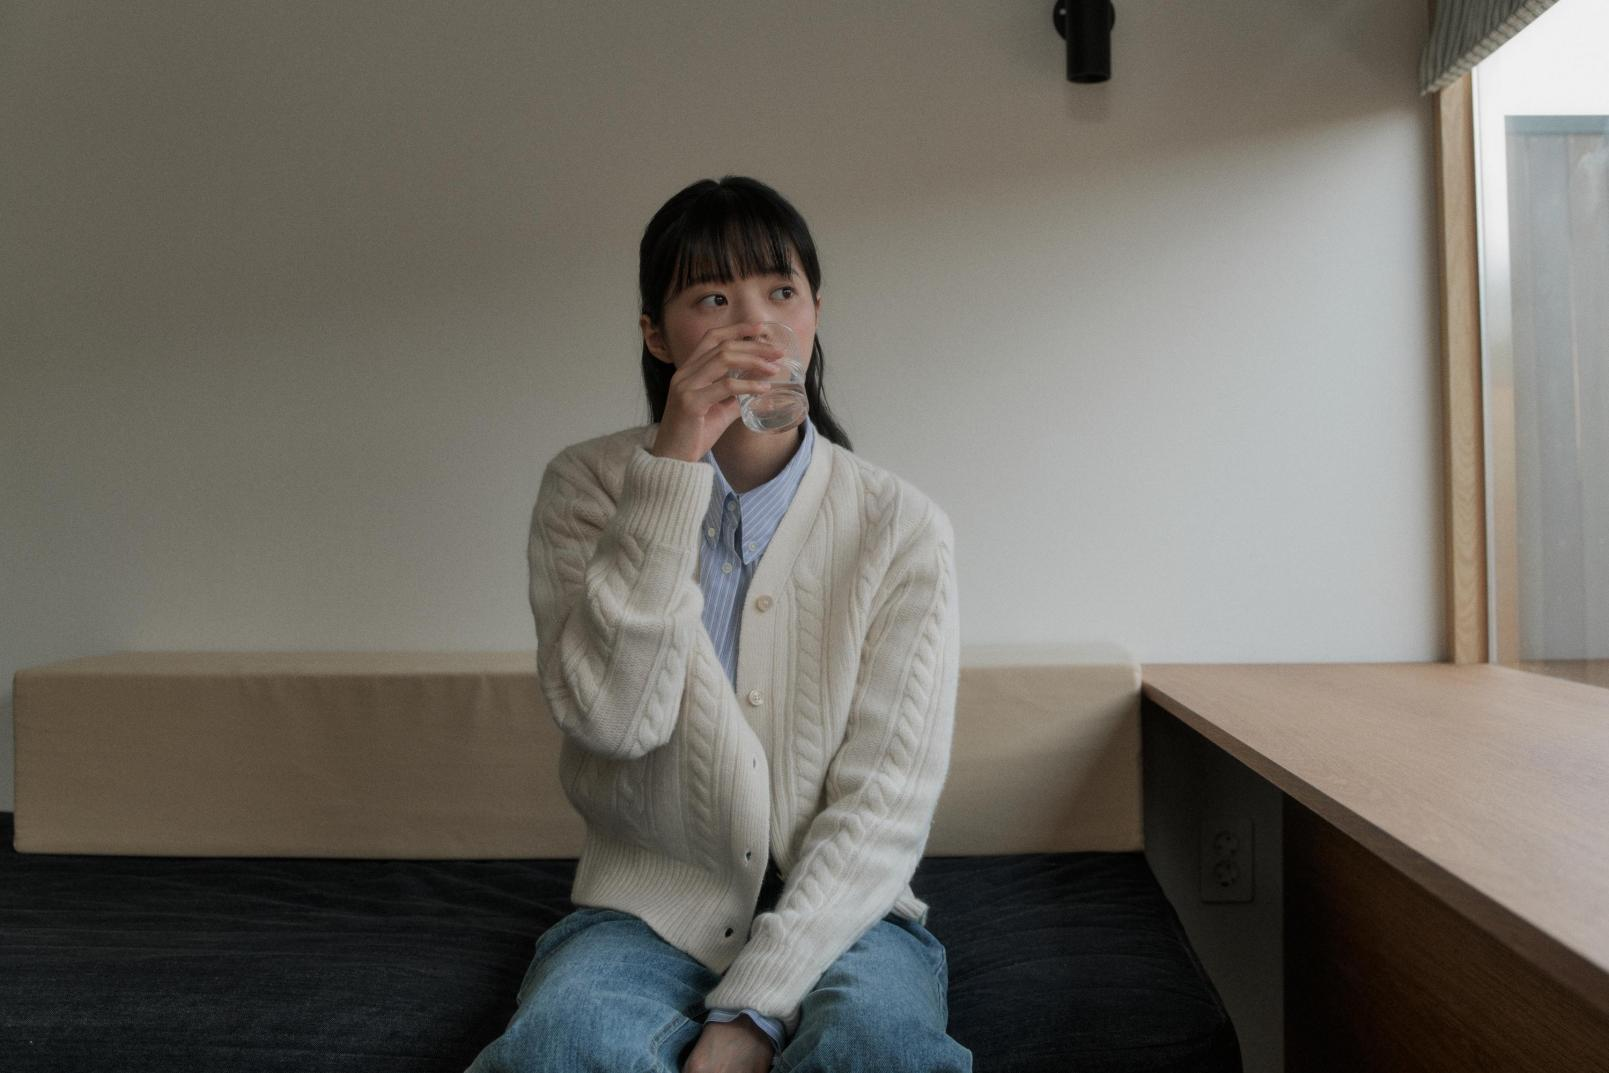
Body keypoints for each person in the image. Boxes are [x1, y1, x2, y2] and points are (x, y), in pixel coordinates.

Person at [465, 176, 970, 1073]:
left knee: (878, 1047)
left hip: (847, 910)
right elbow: (613, 721)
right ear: (657, 335)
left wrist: (751, 1010)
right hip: (648, 909)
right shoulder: (586, 488)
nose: (755, 325)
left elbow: (886, 802)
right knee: (562, 1046)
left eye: (781, 291)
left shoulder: (900, 525)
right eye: (711, 298)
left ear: (815, 313)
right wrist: (670, 468)